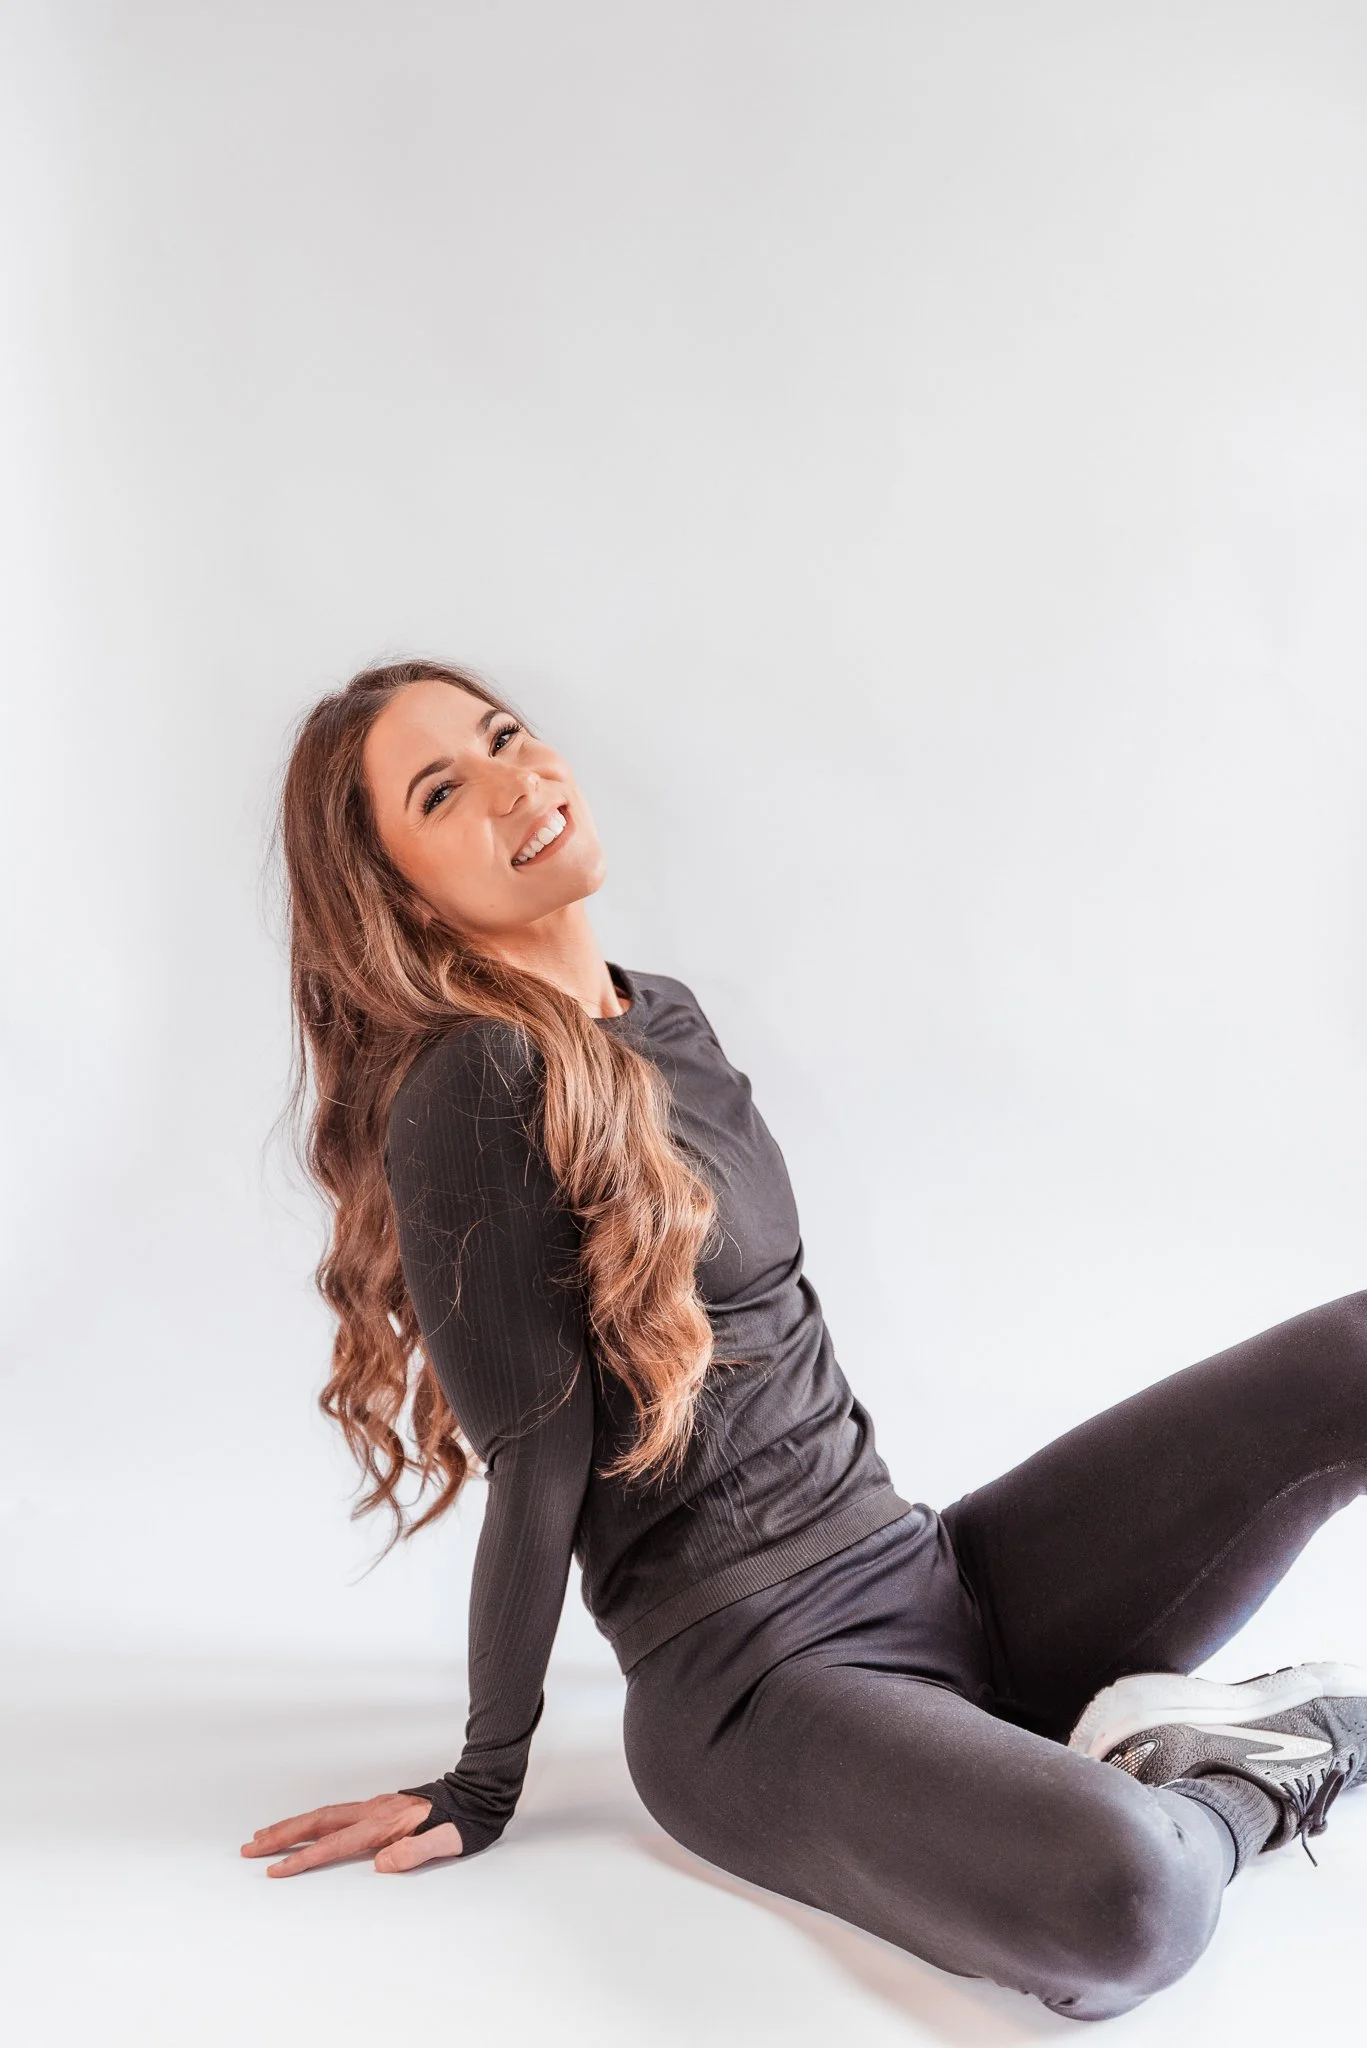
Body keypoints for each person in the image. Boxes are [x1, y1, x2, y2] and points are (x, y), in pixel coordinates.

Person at [242, 658, 1367, 2022]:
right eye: (443, 791)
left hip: (924, 1573)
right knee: (1125, 1902)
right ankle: (1265, 1763)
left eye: (504, 738)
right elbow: (538, 1465)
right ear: (402, 894)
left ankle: (1054, 1744)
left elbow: (782, 1332)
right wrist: (484, 1775)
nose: (513, 782)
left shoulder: (660, 1014)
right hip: (755, 1688)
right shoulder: (475, 1085)